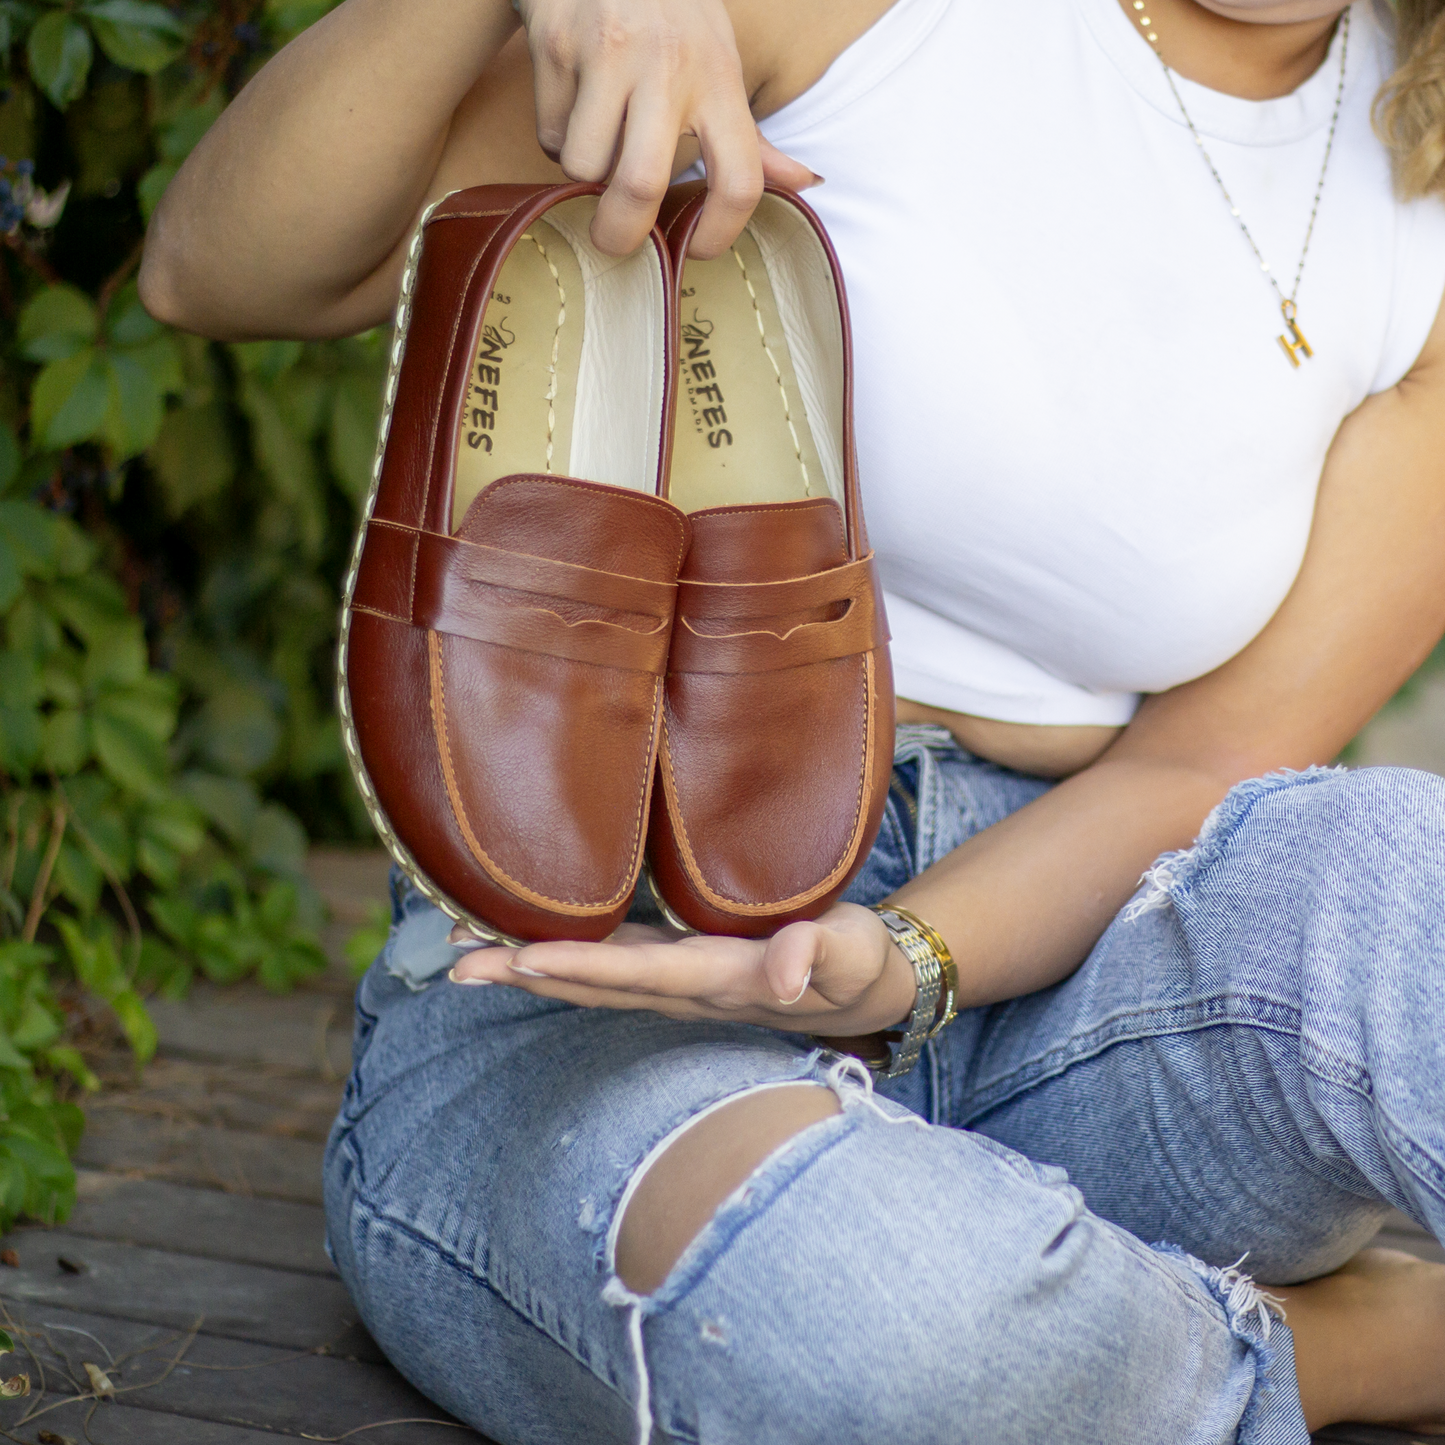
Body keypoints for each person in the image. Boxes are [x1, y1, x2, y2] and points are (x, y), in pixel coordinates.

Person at [139, 0, 1445, 1438]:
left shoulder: (1421, 170)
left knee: (1407, 880)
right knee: (871, 1324)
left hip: (1082, 982)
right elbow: (219, 270)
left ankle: (1086, 1323)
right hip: (607, 965)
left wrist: (902, 961)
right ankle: (1340, 1358)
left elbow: (1212, 757)